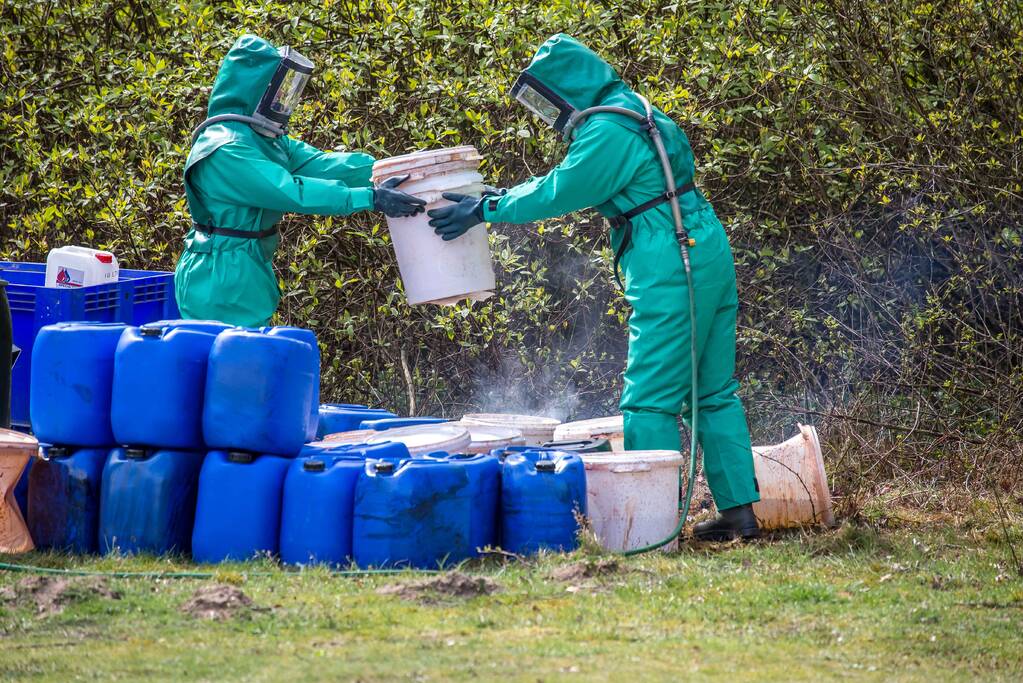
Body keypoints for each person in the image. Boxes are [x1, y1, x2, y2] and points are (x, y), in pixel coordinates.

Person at [428, 34, 761, 541]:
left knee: (648, 400)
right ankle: (739, 516)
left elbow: (561, 190)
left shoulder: (607, 130)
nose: (550, 115)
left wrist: (486, 208)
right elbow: (571, 178)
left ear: (567, 88)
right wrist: (503, 195)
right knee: (712, 393)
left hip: (670, 258)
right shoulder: (634, 109)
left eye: (547, 101)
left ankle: (653, 528)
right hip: (703, 245)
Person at [175, 34, 425, 327]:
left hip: (242, 269)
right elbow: (291, 191)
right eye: (277, 92)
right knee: (230, 354)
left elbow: (323, 165)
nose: (282, 103)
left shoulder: (262, 139)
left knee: (244, 351)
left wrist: (394, 167)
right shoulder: (226, 149)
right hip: (218, 279)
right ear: (254, 91)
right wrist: (370, 197)